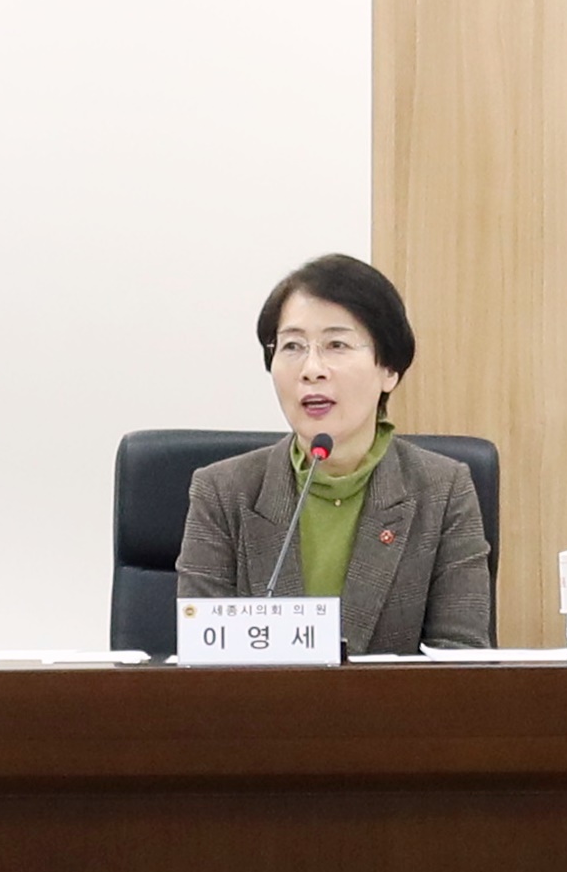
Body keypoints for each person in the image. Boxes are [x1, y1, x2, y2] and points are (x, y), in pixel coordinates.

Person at [174, 255, 492, 656]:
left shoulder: (443, 491)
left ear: (388, 369)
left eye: (336, 345)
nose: (311, 369)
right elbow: (203, 661)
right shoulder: (223, 492)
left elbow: (460, 661)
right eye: (292, 346)